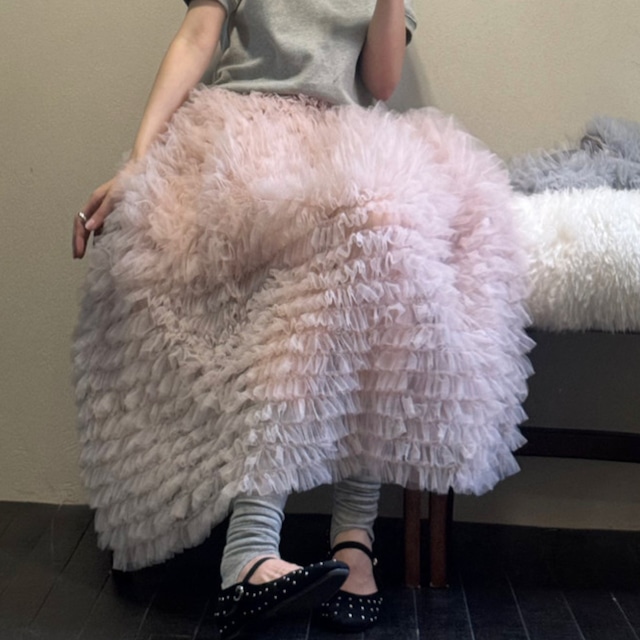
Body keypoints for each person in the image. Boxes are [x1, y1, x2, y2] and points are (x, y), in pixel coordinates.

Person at [72, 2, 532, 638]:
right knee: (338, 242)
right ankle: (259, 547)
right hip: (245, 135)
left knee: (383, 235)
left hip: (347, 136)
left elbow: (381, 82)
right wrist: (137, 162)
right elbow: (199, 34)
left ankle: (348, 537)